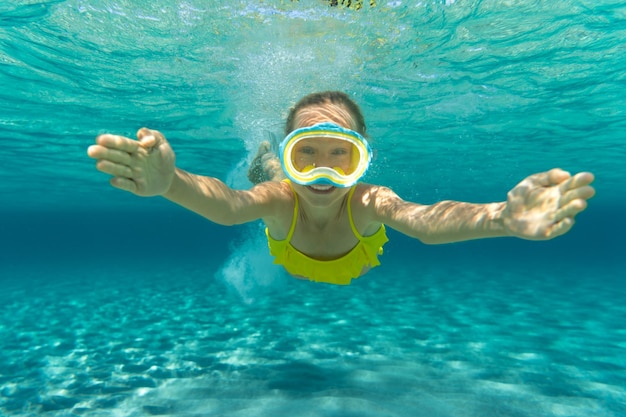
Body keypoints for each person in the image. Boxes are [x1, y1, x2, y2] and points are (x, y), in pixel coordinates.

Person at [87, 91, 595, 285]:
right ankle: (266, 159)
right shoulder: (283, 195)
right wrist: (169, 182)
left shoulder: (369, 200)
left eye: (341, 154)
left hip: (359, 257)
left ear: (362, 161)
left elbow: (424, 223)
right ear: (293, 156)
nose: (324, 173)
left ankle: (269, 158)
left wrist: (498, 218)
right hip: (288, 249)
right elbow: (230, 207)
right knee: (262, 182)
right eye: (304, 153)